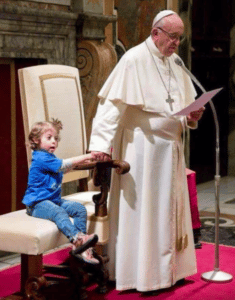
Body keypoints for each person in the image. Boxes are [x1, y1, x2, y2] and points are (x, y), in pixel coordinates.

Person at [89, 10, 205, 291]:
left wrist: (192, 116)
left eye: (179, 38)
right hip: (143, 151)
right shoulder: (133, 60)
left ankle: (169, 272)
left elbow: (182, 104)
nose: (177, 43)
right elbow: (110, 107)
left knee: (168, 211)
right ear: (156, 33)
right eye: (173, 37)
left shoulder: (174, 62)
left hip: (171, 152)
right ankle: (141, 274)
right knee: (146, 211)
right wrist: (100, 148)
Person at [22, 119, 100, 264]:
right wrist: (88, 156)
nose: (54, 142)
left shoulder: (51, 158)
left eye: (56, 138)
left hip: (53, 200)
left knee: (79, 209)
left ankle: (82, 248)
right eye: (49, 138)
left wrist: (89, 161)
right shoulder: (40, 157)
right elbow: (64, 165)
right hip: (37, 204)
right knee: (59, 212)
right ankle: (77, 240)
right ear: (35, 140)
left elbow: (67, 168)